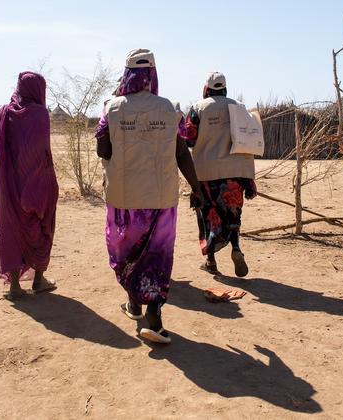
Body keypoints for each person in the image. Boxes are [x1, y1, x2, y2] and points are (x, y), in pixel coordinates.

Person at [95, 49, 203, 344]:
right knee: (158, 254)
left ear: (127, 73)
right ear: (153, 74)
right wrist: (196, 187)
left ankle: (135, 302)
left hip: (124, 199)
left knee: (126, 253)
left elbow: (103, 150)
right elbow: (182, 153)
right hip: (161, 199)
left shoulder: (111, 109)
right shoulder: (169, 110)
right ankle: (151, 312)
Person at [0, 71, 59, 300]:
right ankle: (38, 279)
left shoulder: (2, 114)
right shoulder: (41, 115)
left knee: (11, 230)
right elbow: (43, 153)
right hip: (38, 184)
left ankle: (15, 286)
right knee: (42, 226)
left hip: (9, 185)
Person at [184, 72, 257, 278]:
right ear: (225, 88)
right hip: (236, 172)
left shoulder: (198, 108)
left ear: (206, 89)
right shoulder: (238, 108)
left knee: (208, 214)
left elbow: (189, 139)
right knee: (233, 213)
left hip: (207, 172)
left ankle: (211, 261)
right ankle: (235, 248)